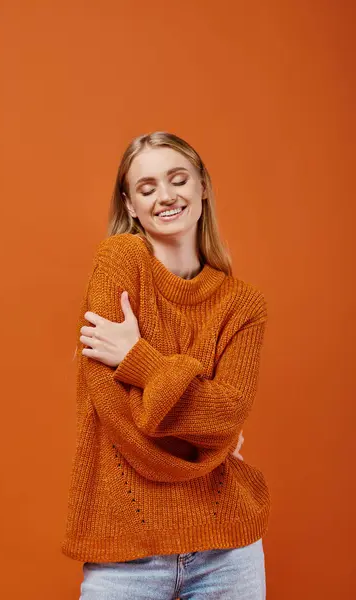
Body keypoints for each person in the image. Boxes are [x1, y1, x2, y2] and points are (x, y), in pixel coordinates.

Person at [62, 131, 269, 599]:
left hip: (228, 548)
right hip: (125, 552)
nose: (166, 196)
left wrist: (137, 360)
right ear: (131, 205)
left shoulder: (243, 304)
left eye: (178, 180)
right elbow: (115, 414)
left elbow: (228, 414)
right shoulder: (119, 259)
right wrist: (208, 446)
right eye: (147, 187)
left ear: (203, 188)